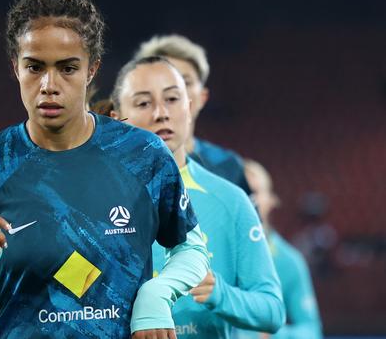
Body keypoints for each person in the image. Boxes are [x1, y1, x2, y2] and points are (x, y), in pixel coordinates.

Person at [0, 0, 209, 339]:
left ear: (92, 69)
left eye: (67, 68)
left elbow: (191, 247)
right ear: (16, 68)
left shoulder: (142, 155)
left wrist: (155, 294)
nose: (49, 85)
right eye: (35, 67)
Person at [106, 56, 284, 338]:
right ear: (117, 119)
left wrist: (220, 293)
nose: (161, 113)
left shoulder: (231, 200)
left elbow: (273, 311)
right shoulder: (94, 203)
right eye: (143, 103)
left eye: (173, 99)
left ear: (189, 107)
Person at [133, 35, 251, 194]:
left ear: (203, 97)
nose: (175, 90)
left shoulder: (228, 166)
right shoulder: (119, 165)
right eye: (164, 80)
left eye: (185, 82)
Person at [238, 159, 323, 339]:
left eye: (254, 192)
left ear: (271, 200)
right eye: (241, 191)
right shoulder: (212, 252)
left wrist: (269, 336)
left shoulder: (289, 261)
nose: (248, 199)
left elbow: (311, 331)